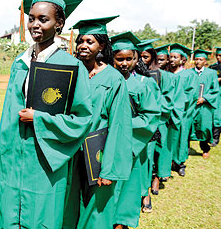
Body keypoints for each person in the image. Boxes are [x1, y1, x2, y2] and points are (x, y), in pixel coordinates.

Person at [0, 0, 93, 229]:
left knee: (41, 217)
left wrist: (39, 118)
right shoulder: (20, 63)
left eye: (44, 19)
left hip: (45, 160)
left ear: (58, 24)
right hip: (12, 157)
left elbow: (81, 118)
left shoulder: (71, 66)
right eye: (31, 19)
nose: (35, 25)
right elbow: (7, 115)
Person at [70, 17, 133, 229]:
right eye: (80, 41)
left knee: (96, 212)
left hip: (97, 153)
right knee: (69, 207)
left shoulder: (113, 79)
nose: (83, 46)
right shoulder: (72, 73)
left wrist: (109, 169)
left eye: (90, 41)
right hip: (70, 152)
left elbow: (119, 125)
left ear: (102, 46)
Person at [111, 32, 160, 228]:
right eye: (119, 59)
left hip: (131, 143)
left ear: (136, 58)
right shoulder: (107, 80)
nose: (124, 63)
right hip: (106, 141)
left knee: (128, 185)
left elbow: (150, 117)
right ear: (112, 58)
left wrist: (121, 127)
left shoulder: (144, 84)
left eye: (129, 59)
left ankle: (121, 222)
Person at [138, 40, 180, 196]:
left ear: (153, 57)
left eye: (146, 57)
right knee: (146, 155)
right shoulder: (136, 76)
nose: (142, 60)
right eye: (140, 56)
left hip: (161, 120)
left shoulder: (165, 76)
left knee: (159, 151)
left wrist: (153, 105)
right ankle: (144, 186)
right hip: (144, 120)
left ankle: (156, 178)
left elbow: (169, 100)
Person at [168, 43, 196, 175]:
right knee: (168, 138)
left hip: (182, 113)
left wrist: (177, 105)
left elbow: (191, 95)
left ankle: (179, 164)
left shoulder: (188, 75)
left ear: (182, 60)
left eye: (175, 57)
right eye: (170, 57)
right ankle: (167, 162)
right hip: (168, 112)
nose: (172, 59)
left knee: (181, 137)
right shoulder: (166, 73)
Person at [189, 49, 220, 158]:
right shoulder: (189, 72)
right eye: (196, 59)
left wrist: (205, 98)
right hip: (191, 105)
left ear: (205, 61)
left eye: (200, 59)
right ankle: (186, 148)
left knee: (204, 127)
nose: (198, 61)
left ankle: (205, 149)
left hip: (204, 106)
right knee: (189, 126)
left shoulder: (211, 73)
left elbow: (215, 90)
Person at [209, 46, 221, 147]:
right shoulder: (212, 67)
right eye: (217, 55)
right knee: (216, 115)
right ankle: (215, 138)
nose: (218, 57)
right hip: (216, 94)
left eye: (220, 55)